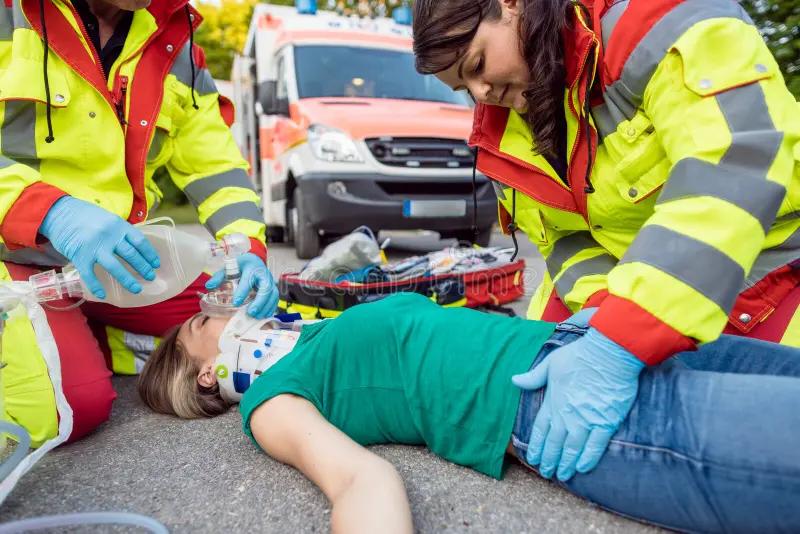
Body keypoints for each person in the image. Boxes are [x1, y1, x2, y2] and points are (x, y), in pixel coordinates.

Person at [411, 0, 800, 481]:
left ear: (511, 5)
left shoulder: (660, 25)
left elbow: (734, 168)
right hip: (626, 290)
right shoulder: (503, 132)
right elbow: (564, 239)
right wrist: (599, 315)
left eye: (476, 65)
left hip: (765, 273)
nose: (481, 94)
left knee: (758, 432)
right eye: (463, 88)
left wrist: (619, 343)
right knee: (538, 382)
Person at [138, 293, 800, 533]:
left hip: (597, 347)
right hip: (557, 410)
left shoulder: (310, 336)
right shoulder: (269, 401)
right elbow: (360, 482)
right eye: (203, 322)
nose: (219, 311)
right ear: (206, 372)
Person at [0, 0, 278, 448]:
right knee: (71, 406)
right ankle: (66, 344)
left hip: (113, 258)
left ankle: (87, 335)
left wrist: (246, 244)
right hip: (14, 254)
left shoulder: (175, 42)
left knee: (232, 318)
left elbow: (214, 166)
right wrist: (50, 211)